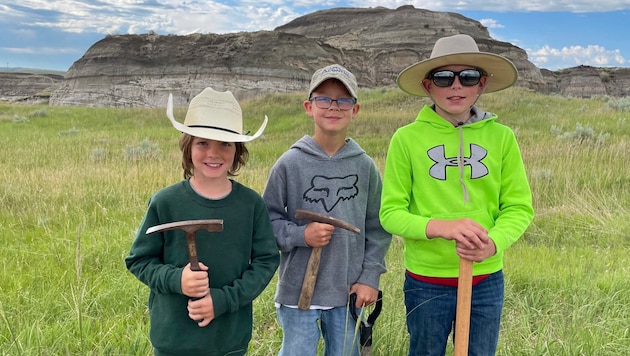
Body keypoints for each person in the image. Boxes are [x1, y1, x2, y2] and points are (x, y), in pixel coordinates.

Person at [379, 34, 535, 355]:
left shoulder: (502, 138)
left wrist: (493, 243)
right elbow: (391, 213)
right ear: (428, 86)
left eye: (468, 77)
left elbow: (519, 207)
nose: (456, 86)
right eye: (443, 77)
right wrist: (442, 227)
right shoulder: (406, 139)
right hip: (427, 280)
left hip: (486, 278)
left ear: (481, 85)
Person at [125, 87, 280, 356]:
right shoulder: (165, 202)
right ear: (188, 146)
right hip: (174, 339)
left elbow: (267, 260)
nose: (214, 153)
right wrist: (177, 279)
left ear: (237, 149)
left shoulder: (250, 205)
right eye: (203, 143)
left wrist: (222, 300)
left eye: (225, 144)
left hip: (228, 340)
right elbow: (139, 261)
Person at [262, 64, 392, 356]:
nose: (334, 107)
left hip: (347, 292)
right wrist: (300, 235)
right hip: (298, 291)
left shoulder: (364, 166)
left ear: (355, 110)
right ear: (309, 107)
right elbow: (266, 221)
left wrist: (370, 277)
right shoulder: (289, 163)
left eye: (343, 100)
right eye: (324, 99)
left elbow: (378, 228)